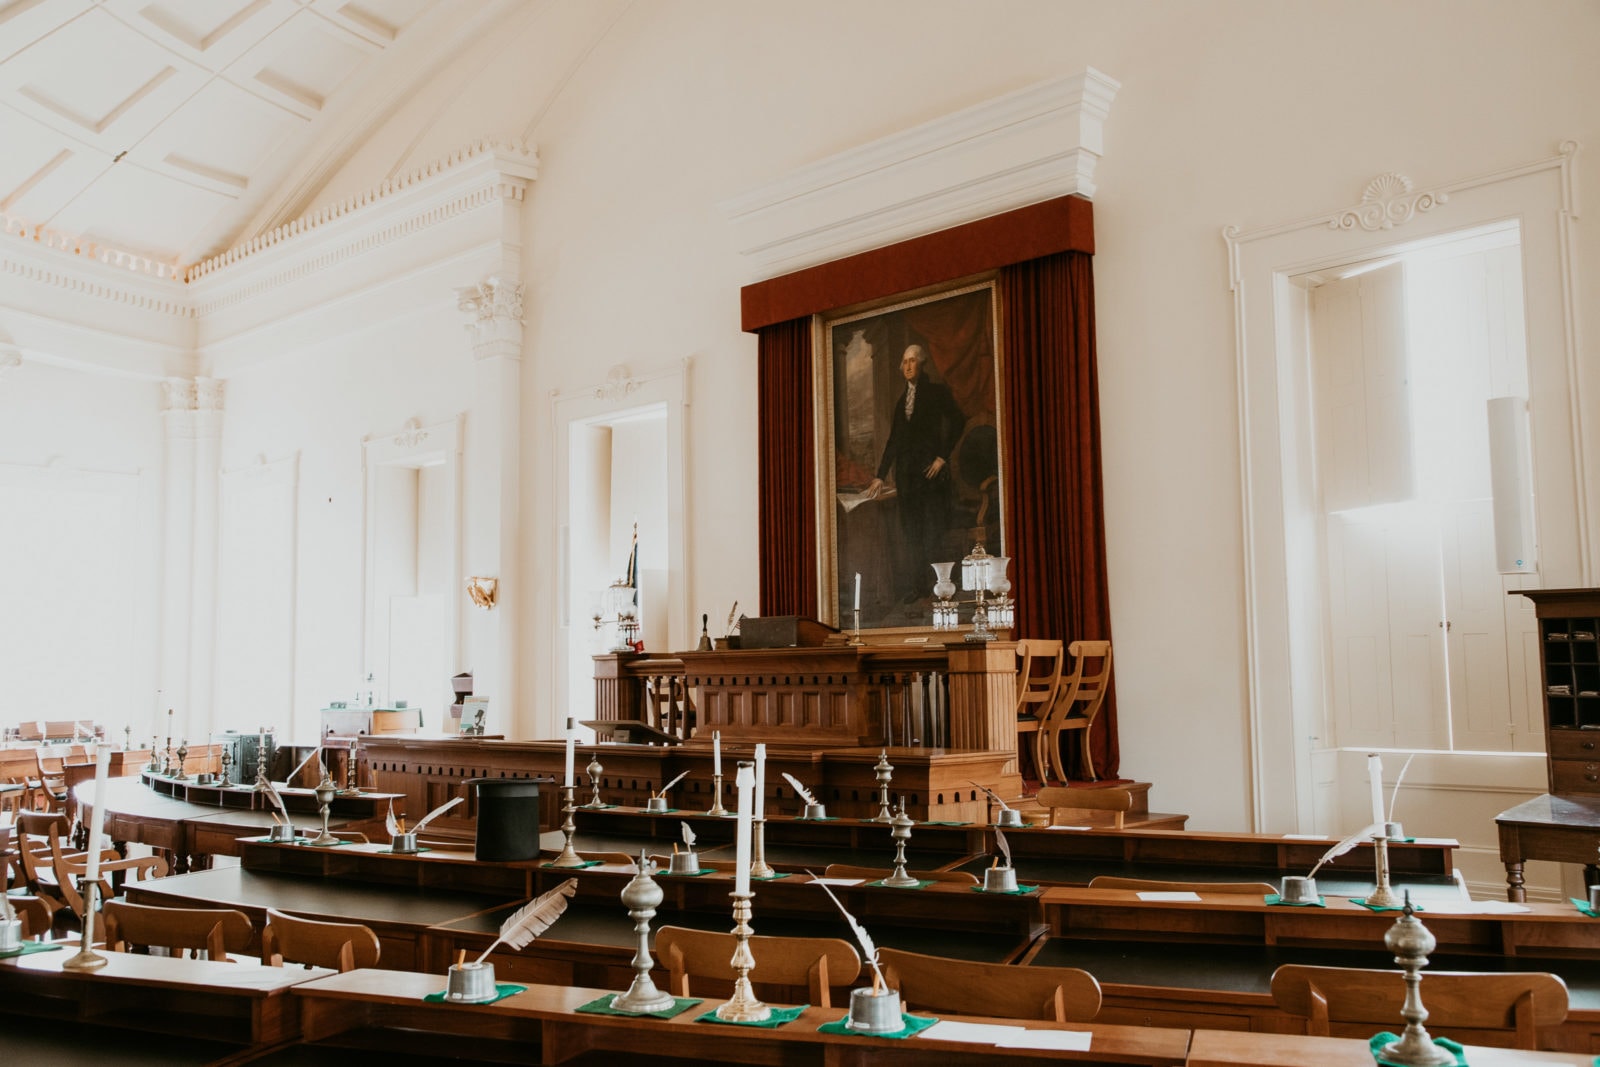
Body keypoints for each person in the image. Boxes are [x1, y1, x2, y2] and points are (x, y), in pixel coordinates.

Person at [865, 344, 963, 603]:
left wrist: (942, 457)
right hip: (907, 480)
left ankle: (939, 589)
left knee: (932, 532)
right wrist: (880, 475)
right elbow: (894, 441)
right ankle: (916, 588)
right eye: (904, 362)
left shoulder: (936, 392)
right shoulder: (901, 403)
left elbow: (958, 420)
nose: (908, 366)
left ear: (921, 364)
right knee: (911, 534)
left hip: (929, 478)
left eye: (912, 361)